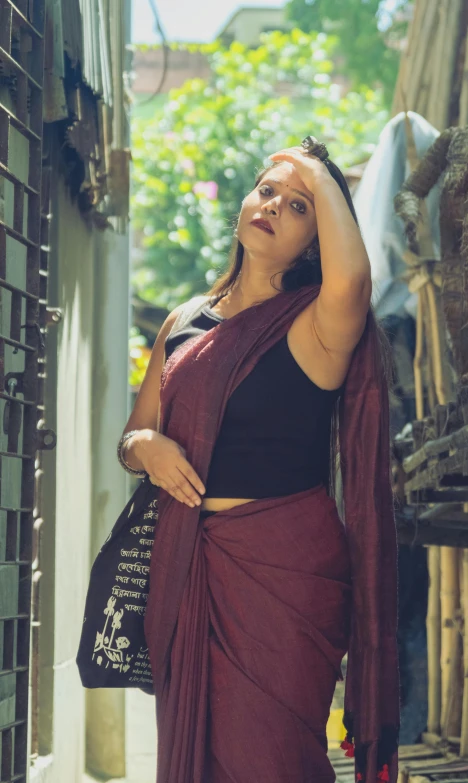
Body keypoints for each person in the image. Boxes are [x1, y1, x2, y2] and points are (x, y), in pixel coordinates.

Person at [118, 136, 400, 783]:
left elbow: (354, 276)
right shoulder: (186, 322)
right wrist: (146, 449)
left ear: (319, 234)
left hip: (286, 577)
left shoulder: (319, 323)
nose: (274, 204)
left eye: (298, 205)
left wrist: (311, 167)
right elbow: (132, 437)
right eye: (267, 189)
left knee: (273, 761)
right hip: (188, 565)